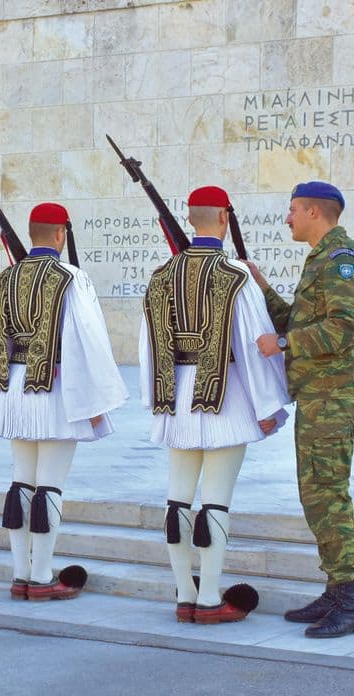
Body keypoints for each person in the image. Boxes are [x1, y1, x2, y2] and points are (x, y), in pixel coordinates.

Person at [0, 203, 128, 601]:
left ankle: (20, 574)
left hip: (13, 391)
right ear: (60, 235)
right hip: (53, 392)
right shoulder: (71, 278)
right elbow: (87, 340)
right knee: (49, 484)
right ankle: (41, 575)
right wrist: (95, 397)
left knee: (21, 479)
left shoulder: (3, 279)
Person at [139, 186, 290, 624]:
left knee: (178, 499)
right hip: (225, 398)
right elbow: (252, 344)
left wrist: (158, 401)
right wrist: (268, 405)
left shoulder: (161, 275)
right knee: (216, 500)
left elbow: (150, 347)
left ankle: (184, 594)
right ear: (224, 219)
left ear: (191, 219)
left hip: (176, 399)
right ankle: (208, 599)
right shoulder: (235, 276)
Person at [253, 181, 354, 639]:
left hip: (333, 400)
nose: (288, 218)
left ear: (314, 212)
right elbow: (300, 318)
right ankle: (337, 588)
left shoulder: (339, 262)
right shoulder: (319, 260)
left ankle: (350, 598)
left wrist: (286, 343)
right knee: (318, 498)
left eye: (293, 209)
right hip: (318, 399)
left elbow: (343, 327)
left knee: (329, 499)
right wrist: (261, 290)